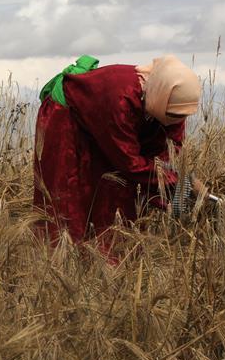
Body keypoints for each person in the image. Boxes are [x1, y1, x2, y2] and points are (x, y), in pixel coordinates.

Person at [33, 54, 201, 254]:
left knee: (114, 191)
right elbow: (129, 163)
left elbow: (167, 148)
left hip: (104, 124)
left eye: (181, 116)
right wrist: (177, 183)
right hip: (66, 117)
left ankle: (111, 254)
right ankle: (63, 256)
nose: (176, 119)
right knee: (70, 193)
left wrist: (175, 186)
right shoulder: (121, 99)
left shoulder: (170, 100)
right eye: (174, 115)